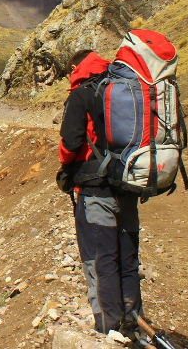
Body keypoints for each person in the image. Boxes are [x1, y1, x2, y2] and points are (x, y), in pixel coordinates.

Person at [57, 49, 143, 338]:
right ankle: (134, 319)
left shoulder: (81, 94)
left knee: (100, 257)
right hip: (128, 186)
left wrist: (66, 171)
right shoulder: (123, 90)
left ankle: (109, 325)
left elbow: (70, 143)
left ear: (74, 67)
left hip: (95, 189)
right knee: (128, 256)